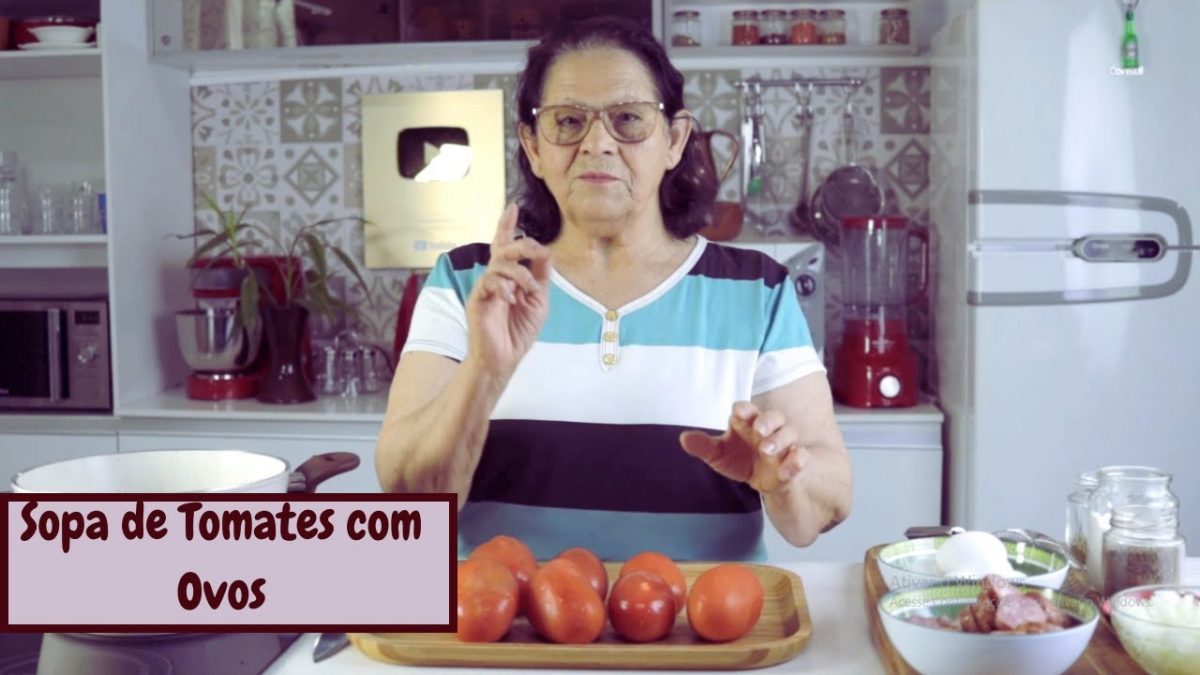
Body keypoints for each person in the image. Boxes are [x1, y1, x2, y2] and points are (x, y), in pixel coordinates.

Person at [375, 17, 852, 562]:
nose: (597, 143)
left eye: (628, 119)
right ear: (533, 146)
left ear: (673, 140)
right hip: (505, 629)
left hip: (703, 634)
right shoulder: (466, 283)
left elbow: (830, 500)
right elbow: (409, 497)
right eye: (568, 121)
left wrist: (782, 478)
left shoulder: (758, 291)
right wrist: (485, 370)